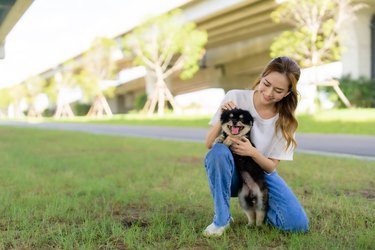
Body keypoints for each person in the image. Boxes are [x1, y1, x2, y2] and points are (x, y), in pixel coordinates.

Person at [203, 56, 309, 237]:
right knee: (218, 152)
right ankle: (222, 219)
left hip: (260, 173)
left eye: (278, 90)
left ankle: (260, 207)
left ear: (287, 93)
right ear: (262, 76)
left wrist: (252, 152)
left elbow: (271, 166)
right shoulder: (235, 97)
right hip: (232, 172)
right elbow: (209, 144)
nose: (268, 93)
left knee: (297, 225)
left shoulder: (285, 121)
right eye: (266, 83)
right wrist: (224, 116)